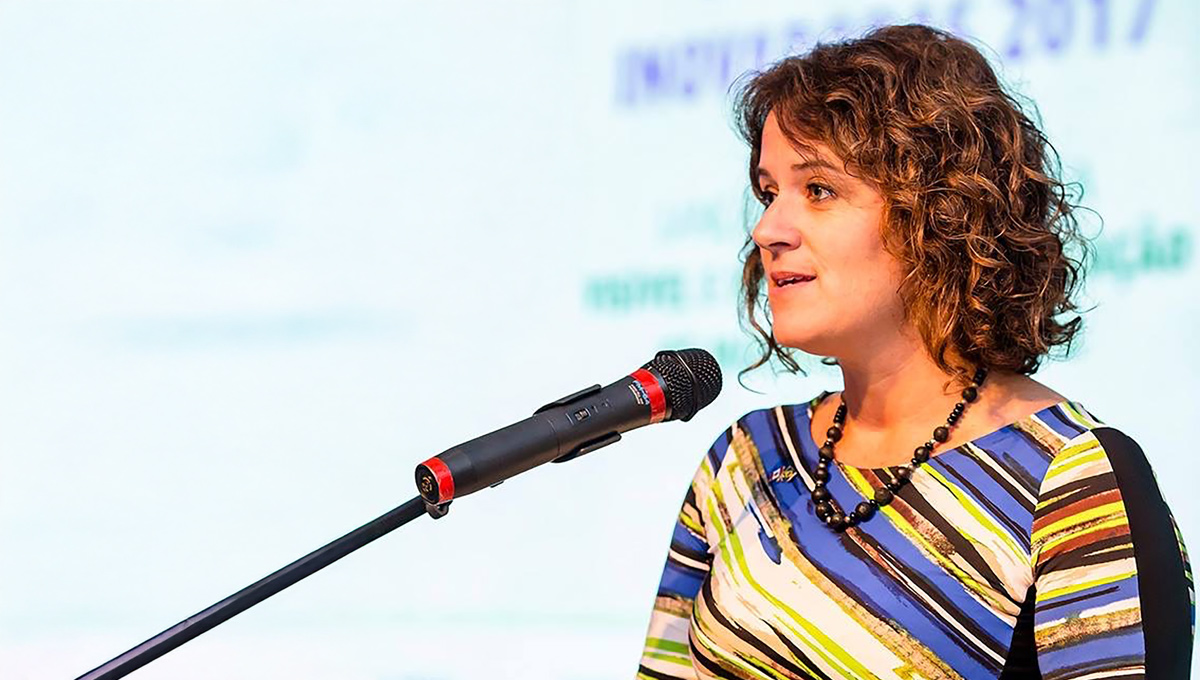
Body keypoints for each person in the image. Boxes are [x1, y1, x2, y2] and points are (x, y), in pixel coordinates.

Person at [636, 24, 1193, 680]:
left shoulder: (1072, 483)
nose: (767, 229)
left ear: (942, 212)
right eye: (768, 191)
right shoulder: (749, 458)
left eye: (818, 190)